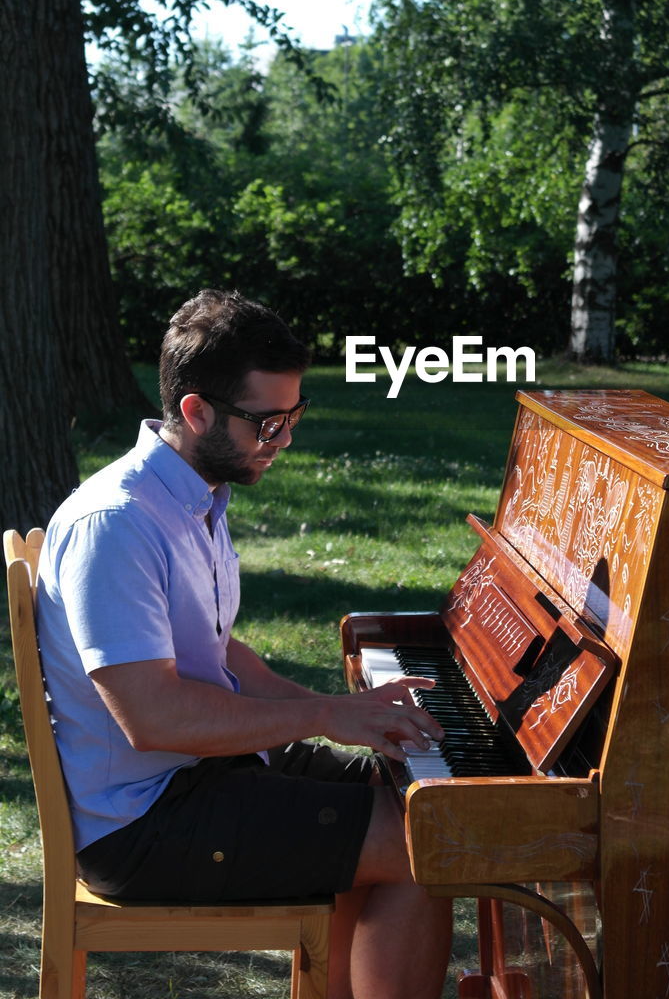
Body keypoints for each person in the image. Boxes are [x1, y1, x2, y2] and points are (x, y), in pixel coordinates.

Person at [36, 289, 452, 999]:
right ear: (196, 412)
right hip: (142, 825)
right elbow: (155, 718)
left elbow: (224, 655)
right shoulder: (119, 523)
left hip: (198, 779)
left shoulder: (190, 494)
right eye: (267, 422)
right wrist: (326, 717)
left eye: (293, 417)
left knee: (427, 804)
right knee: (433, 849)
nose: (284, 439)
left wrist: (343, 710)